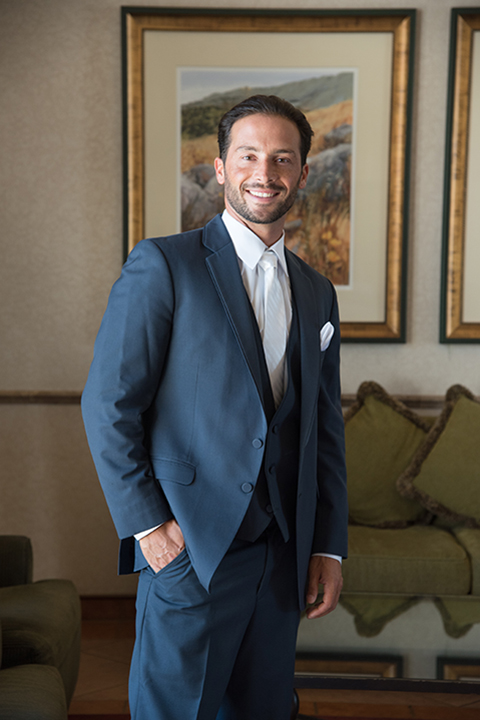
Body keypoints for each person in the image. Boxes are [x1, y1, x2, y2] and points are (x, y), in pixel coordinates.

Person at [82, 94, 348, 720]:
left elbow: (324, 428)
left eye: (283, 158)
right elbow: (108, 404)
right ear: (221, 167)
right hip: (189, 550)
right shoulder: (164, 265)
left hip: (283, 558)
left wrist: (327, 546)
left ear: (304, 172)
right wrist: (151, 530)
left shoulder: (316, 291)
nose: (266, 172)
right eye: (249, 155)